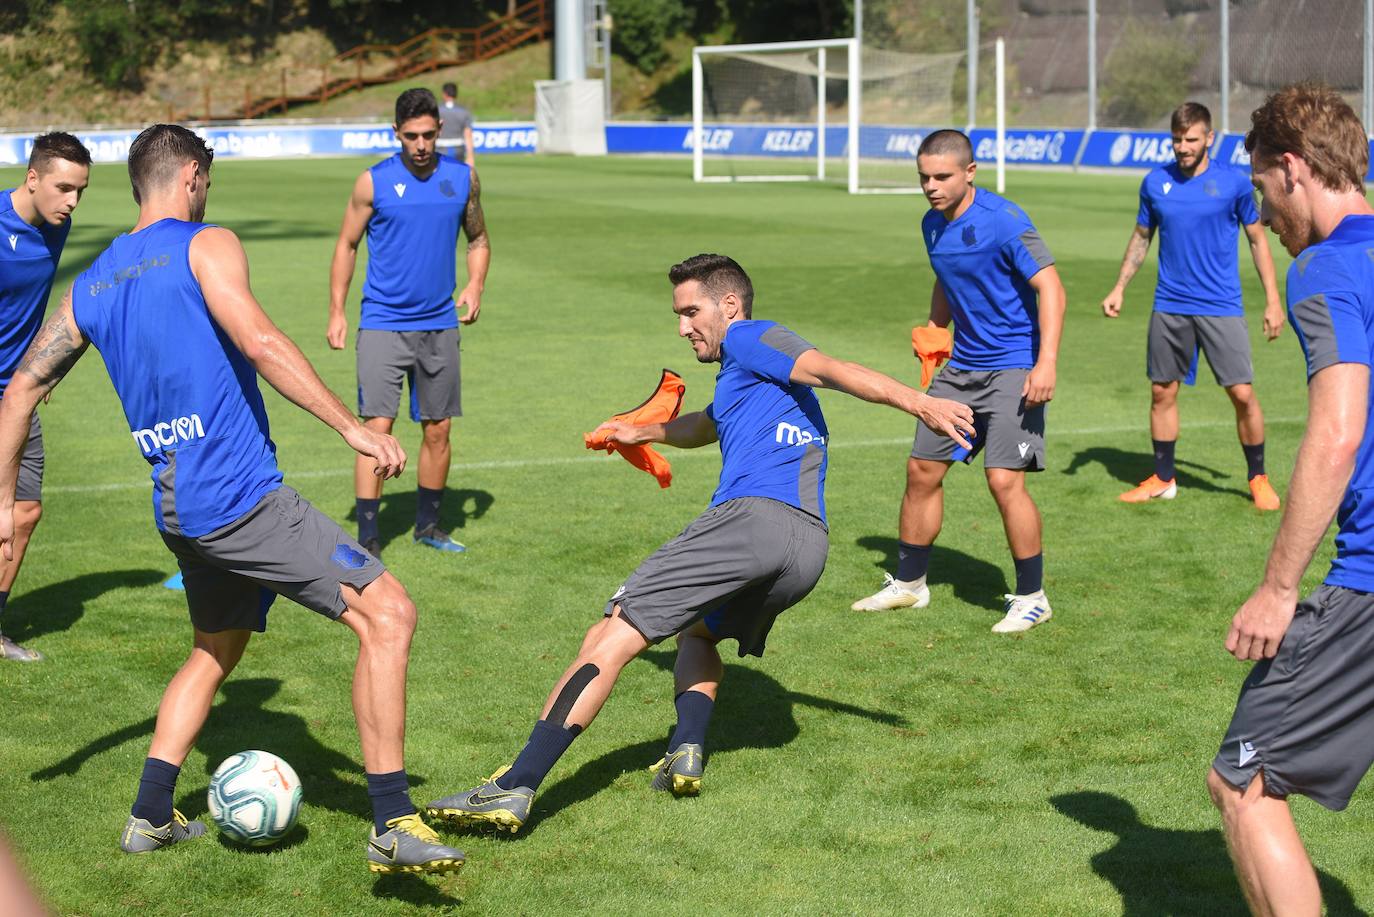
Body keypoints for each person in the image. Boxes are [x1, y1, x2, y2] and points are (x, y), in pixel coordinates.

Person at [0, 124, 463, 874]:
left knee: (216, 647)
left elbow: (19, 390)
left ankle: (150, 814)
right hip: (240, 499)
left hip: (179, 506)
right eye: (205, 179)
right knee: (389, 613)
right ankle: (392, 821)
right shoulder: (204, 242)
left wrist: (0, 498)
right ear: (189, 176)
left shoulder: (93, 282)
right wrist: (353, 428)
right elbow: (261, 340)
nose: (206, 190)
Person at [423, 253, 973, 830]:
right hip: (807, 549)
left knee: (610, 634)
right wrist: (642, 430)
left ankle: (513, 787)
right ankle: (687, 748)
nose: (683, 327)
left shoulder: (752, 337)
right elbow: (708, 424)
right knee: (699, 632)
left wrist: (921, 401)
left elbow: (832, 368)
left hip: (751, 522)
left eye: (691, 312)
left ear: (729, 306)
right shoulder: (751, 377)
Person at [1207, 84, 1374, 917]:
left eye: (1266, 195)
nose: (1265, 219)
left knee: (1243, 779)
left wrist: (1278, 588)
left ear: (1294, 169)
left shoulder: (1325, 266)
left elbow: (1338, 430)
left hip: (1372, 579)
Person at [850, 129, 1066, 634]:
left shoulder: (1005, 221)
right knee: (922, 470)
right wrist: (934, 328)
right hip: (961, 368)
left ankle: (1032, 597)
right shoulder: (931, 223)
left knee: (1003, 479)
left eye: (941, 176)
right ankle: (909, 585)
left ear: (970, 172)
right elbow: (947, 275)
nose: (930, 186)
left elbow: (1051, 288)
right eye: (923, 177)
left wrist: (1047, 362)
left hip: (1015, 366)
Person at [328, 87, 489, 558]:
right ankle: (368, 538)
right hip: (382, 322)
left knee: (438, 428)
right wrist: (337, 309)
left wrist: (476, 284)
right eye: (410, 136)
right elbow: (346, 245)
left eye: (427, 135)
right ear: (395, 133)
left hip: (440, 323)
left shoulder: (463, 179)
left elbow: (478, 239)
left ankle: (428, 527)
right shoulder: (371, 183)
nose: (420, 144)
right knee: (376, 426)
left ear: (441, 130)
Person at [1102, 102, 1285, 510]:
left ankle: (1258, 476)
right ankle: (1164, 478)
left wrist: (1273, 300)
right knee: (1162, 391)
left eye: (1190, 139)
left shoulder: (1234, 184)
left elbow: (1257, 240)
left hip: (1221, 305)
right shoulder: (1155, 183)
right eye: (1176, 140)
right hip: (1169, 304)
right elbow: (1141, 238)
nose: (1182, 147)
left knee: (1241, 393)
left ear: (1209, 139)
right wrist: (1119, 287)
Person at [0, 132, 90, 662]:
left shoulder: (59, 227)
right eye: (63, 188)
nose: (72, 202)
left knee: (25, 511)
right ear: (31, 178)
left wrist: (39, 372)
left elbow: (34, 306)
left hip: (16, 395)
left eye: (80, 190)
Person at [438, 82, 476, 168]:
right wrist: (470, 156)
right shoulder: (464, 111)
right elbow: (468, 134)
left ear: (444, 94)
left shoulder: (436, 110)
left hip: (440, 149)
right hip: (458, 149)